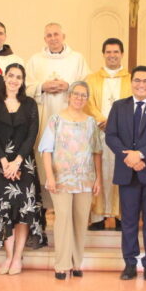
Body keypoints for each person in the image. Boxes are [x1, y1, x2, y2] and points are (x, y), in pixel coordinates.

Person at [104, 66, 146, 282]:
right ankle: (130, 264)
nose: (141, 85)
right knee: (129, 221)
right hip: (127, 173)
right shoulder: (119, 106)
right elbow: (111, 136)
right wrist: (130, 158)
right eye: (137, 80)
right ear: (131, 82)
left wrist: (140, 155)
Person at [40, 80, 102, 280]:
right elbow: (46, 150)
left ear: (87, 99)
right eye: (76, 94)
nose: (79, 98)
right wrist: (49, 176)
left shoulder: (91, 122)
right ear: (69, 96)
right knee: (63, 219)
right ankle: (61, 264)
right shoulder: (56, 119)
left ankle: (76, 263)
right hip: (61, 179)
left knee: (80, 220)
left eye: (83, 95)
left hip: (85, 179)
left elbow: (97, 152)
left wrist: (98, 178)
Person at [0, 63, 42, 272]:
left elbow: (32, 134)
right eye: (11, 76)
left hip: (24, 163)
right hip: (0, 163)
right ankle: (8, 256)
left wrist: (17, 161)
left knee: (23, 211)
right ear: (4, 78)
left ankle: (18, 257)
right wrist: (4, 162)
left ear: (23, 81)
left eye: (18, 77)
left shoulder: (30, 104)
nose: (14, 80)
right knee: (3, 210)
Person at [83, 38, 130, 230]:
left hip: (123, 135)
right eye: (108, 52)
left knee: (122, 170)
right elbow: (86, 102)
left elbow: (133, 102)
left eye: (116, 52)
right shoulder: (91, 79)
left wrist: (115, 124)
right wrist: (103, 120)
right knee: (98, 170)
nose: (112, 55)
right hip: (98, 132)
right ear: (103, 54)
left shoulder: (131, 78)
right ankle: (97, 217)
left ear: (122, 54)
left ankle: (121, 216)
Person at [25, 22, 89, 132]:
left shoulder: (77, 59)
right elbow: (25, 87)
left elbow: (87, 84)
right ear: (45, 39)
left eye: (56, 34)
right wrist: (41, 87)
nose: (53, 38)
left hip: (70, 111)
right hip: (43, 112)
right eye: (49, 35)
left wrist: (69, 86)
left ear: (63, 36)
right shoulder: (35, 60)